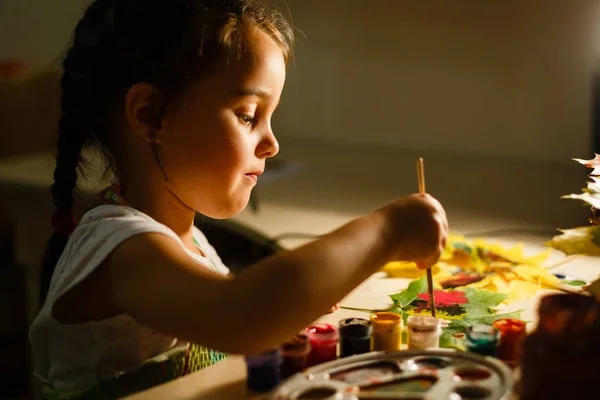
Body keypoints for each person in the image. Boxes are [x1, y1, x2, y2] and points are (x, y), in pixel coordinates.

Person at [29, 0, 448, 398]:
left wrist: (295, 308)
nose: (271, 144)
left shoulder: (190, 244)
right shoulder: (121, 248)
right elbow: (243, 316)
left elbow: (249, 316)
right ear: (149, 115)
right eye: (248, 115)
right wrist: (387, 232)